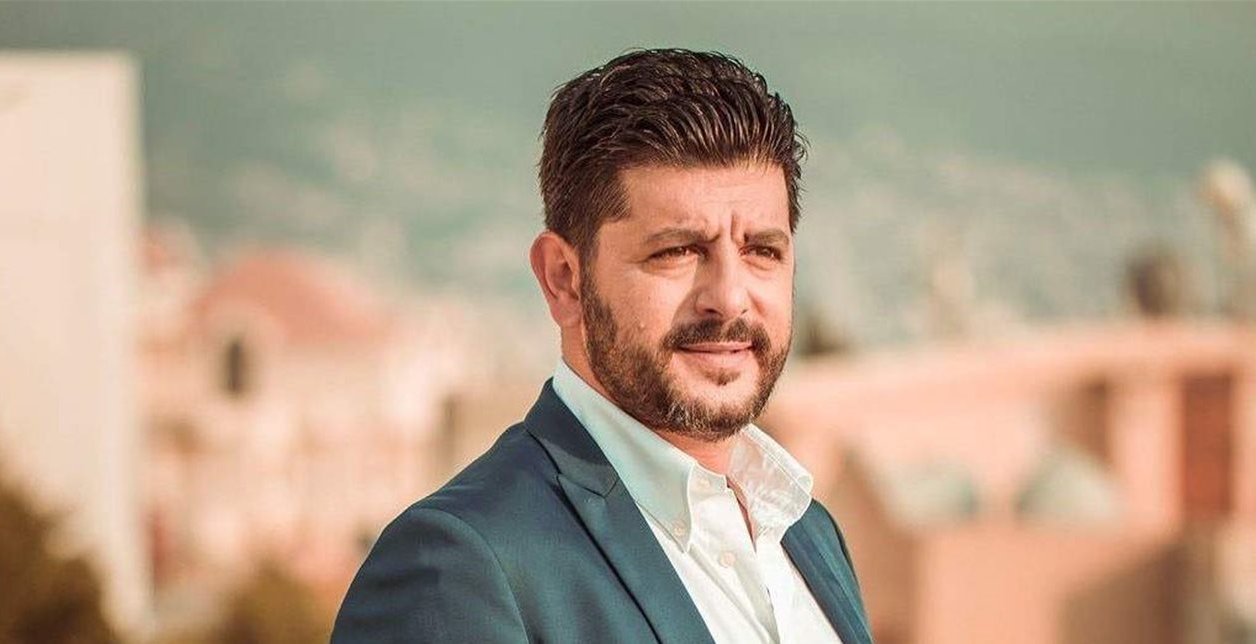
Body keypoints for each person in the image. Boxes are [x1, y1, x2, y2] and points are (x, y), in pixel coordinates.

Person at [332, 48, 871, 644]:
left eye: (761, 250)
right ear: (564, 279)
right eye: (677, 251)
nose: (729, 298)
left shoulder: (808, 534)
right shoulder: (460, 570)